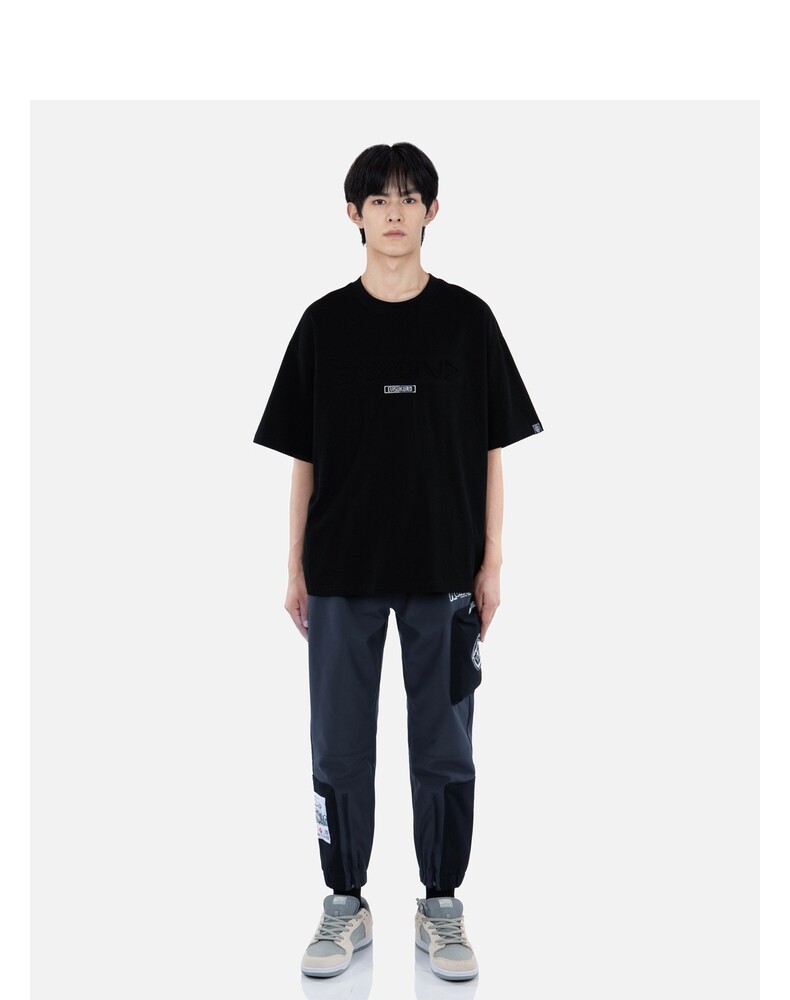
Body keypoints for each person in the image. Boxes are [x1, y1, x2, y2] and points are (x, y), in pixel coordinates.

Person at [252, 142, 544, 982]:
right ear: (352, 214)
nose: (393, 212)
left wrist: (492, 560)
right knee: (338, 745)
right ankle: (344, 900)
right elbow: (303, 456)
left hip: (445, 569)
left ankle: (441, 904)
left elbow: (491, 449)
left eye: (409, 197)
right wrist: (295, 565)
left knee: (446, 745)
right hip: (341, 569)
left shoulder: (468, 321)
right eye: (377, 199)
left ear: (432, 212)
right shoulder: (323, 324)